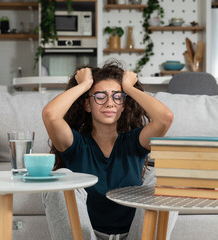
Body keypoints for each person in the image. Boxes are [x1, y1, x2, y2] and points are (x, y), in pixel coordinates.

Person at [42, 61, 177, 240]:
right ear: (87, 105)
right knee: (60, 177)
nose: (109, 103)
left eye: (117, 97)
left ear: (122, 105)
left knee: (166, 179)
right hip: (88, 236)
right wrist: (84, 85)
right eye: (100, 96)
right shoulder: (76, 144)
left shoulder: (134, 142)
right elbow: (50, 115)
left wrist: (128, 87)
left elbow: (165, 118)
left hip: (135, 235)